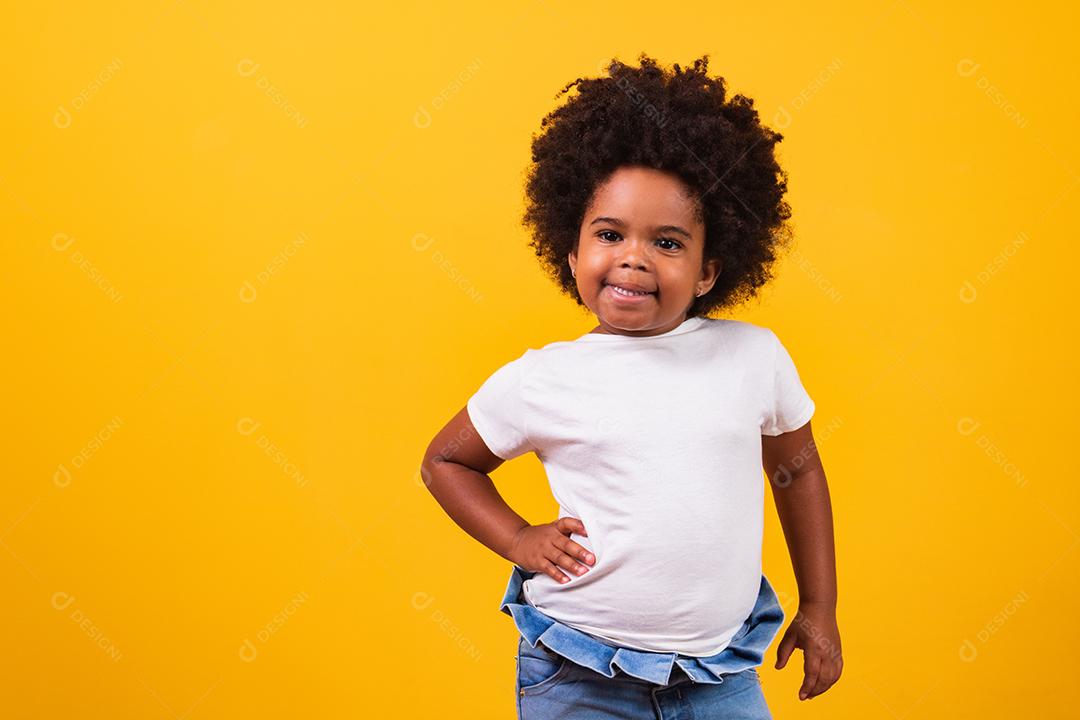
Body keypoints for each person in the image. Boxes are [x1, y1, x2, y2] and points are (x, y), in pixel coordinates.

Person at [421, 53, 842, 719]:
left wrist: (819, 606)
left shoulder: (753, 358)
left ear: (709, 270)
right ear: (571, 250)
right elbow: (445, 461)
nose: (634, 257)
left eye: (668, 243)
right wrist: (518, 538)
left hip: (719, 675)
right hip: (578, 673)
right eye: (609, 234)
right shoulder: (545, 377)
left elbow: (798, 472)